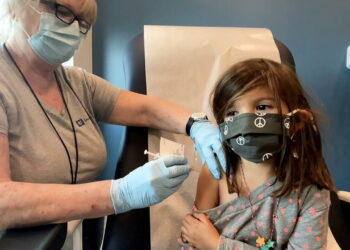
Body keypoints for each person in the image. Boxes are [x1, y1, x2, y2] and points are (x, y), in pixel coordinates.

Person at [0, 0, 226, 230]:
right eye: (63, 11)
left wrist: (196, 124)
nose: (71, 28)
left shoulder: (76, 83)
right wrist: (120, 194)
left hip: (73, 235)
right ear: (15, 7)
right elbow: (2, 203)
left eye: (81, 23)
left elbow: (145, 109)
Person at [180, 58, 336, 250]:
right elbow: (193, 238)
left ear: (296, 121)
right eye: (232, 113)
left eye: (262, 107)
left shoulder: (310, 191)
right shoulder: (216, 172)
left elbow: (205, 241)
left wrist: (217, 245)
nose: (246, 121)